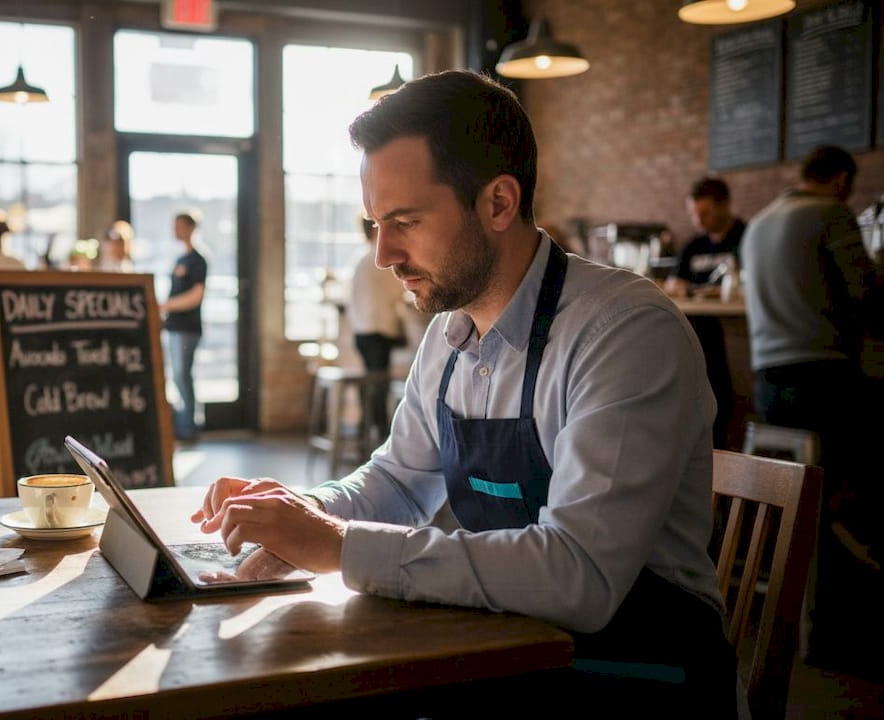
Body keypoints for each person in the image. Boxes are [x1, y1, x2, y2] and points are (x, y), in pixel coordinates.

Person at [190, 70, 739, 715]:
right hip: (506, 653)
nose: (383, 255)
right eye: (375, 225)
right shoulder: (451, 333)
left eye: (405, 221)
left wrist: (336, 545)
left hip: (640, 674)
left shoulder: (623, 331)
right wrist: (298, 514)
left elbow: (580, 576)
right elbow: (398, 482)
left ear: (499, 203)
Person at [740, 145, 881, 673]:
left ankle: (804, 610)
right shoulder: (830, 212)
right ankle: (842, 621)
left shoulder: (757, 224)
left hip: (769, 389)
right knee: (855, 488)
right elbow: (866, 295)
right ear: (842, 179)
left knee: (821, 494)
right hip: (824, 380)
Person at [663, 176, 748, 449]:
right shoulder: (693, 246)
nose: (699, 221)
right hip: (697, 328)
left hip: (741, 331)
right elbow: (674, 285)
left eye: (706, 213)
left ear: (725, 205)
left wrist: (695, 288)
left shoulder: (747, 238)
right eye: (694, 214)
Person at [347, 213, 407, 445]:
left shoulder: (361, 259)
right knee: (379, 384)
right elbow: (399, 292)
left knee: (373, 382)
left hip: (362, 331)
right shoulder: (380, 260)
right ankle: (382, 436)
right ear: (375, 229)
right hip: (378, 331)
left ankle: (366, 429)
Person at [160, 210, 207, 442]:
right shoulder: (180, 259)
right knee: (177, 377)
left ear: (189, 228)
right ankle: (183, 424)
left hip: (188, 328)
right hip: (173, 326)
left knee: (182, 376)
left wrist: (165, 305)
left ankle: (190, 427)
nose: (175, 230)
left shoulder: (198, 260)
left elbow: (196, 296)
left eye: (179, 226)